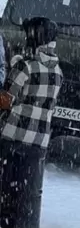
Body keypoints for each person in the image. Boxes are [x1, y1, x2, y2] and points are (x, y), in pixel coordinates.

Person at [0, 17, 63, 228]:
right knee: (28, 193)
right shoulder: (58, 72)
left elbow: (6, 98)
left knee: (5, 189)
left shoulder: (26, 67)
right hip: (39, 142)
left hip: (13, 136)